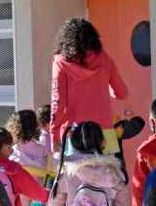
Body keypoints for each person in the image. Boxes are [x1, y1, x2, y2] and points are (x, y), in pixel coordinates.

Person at [49, 17, 128, 153]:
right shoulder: (104, 59)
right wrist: (103, 85)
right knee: (107, 173)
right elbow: (121, 93)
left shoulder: (60, 63)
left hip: (75, 134)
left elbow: (58, 103)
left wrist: (54, 135)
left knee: (77, 173)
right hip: (104, 133)